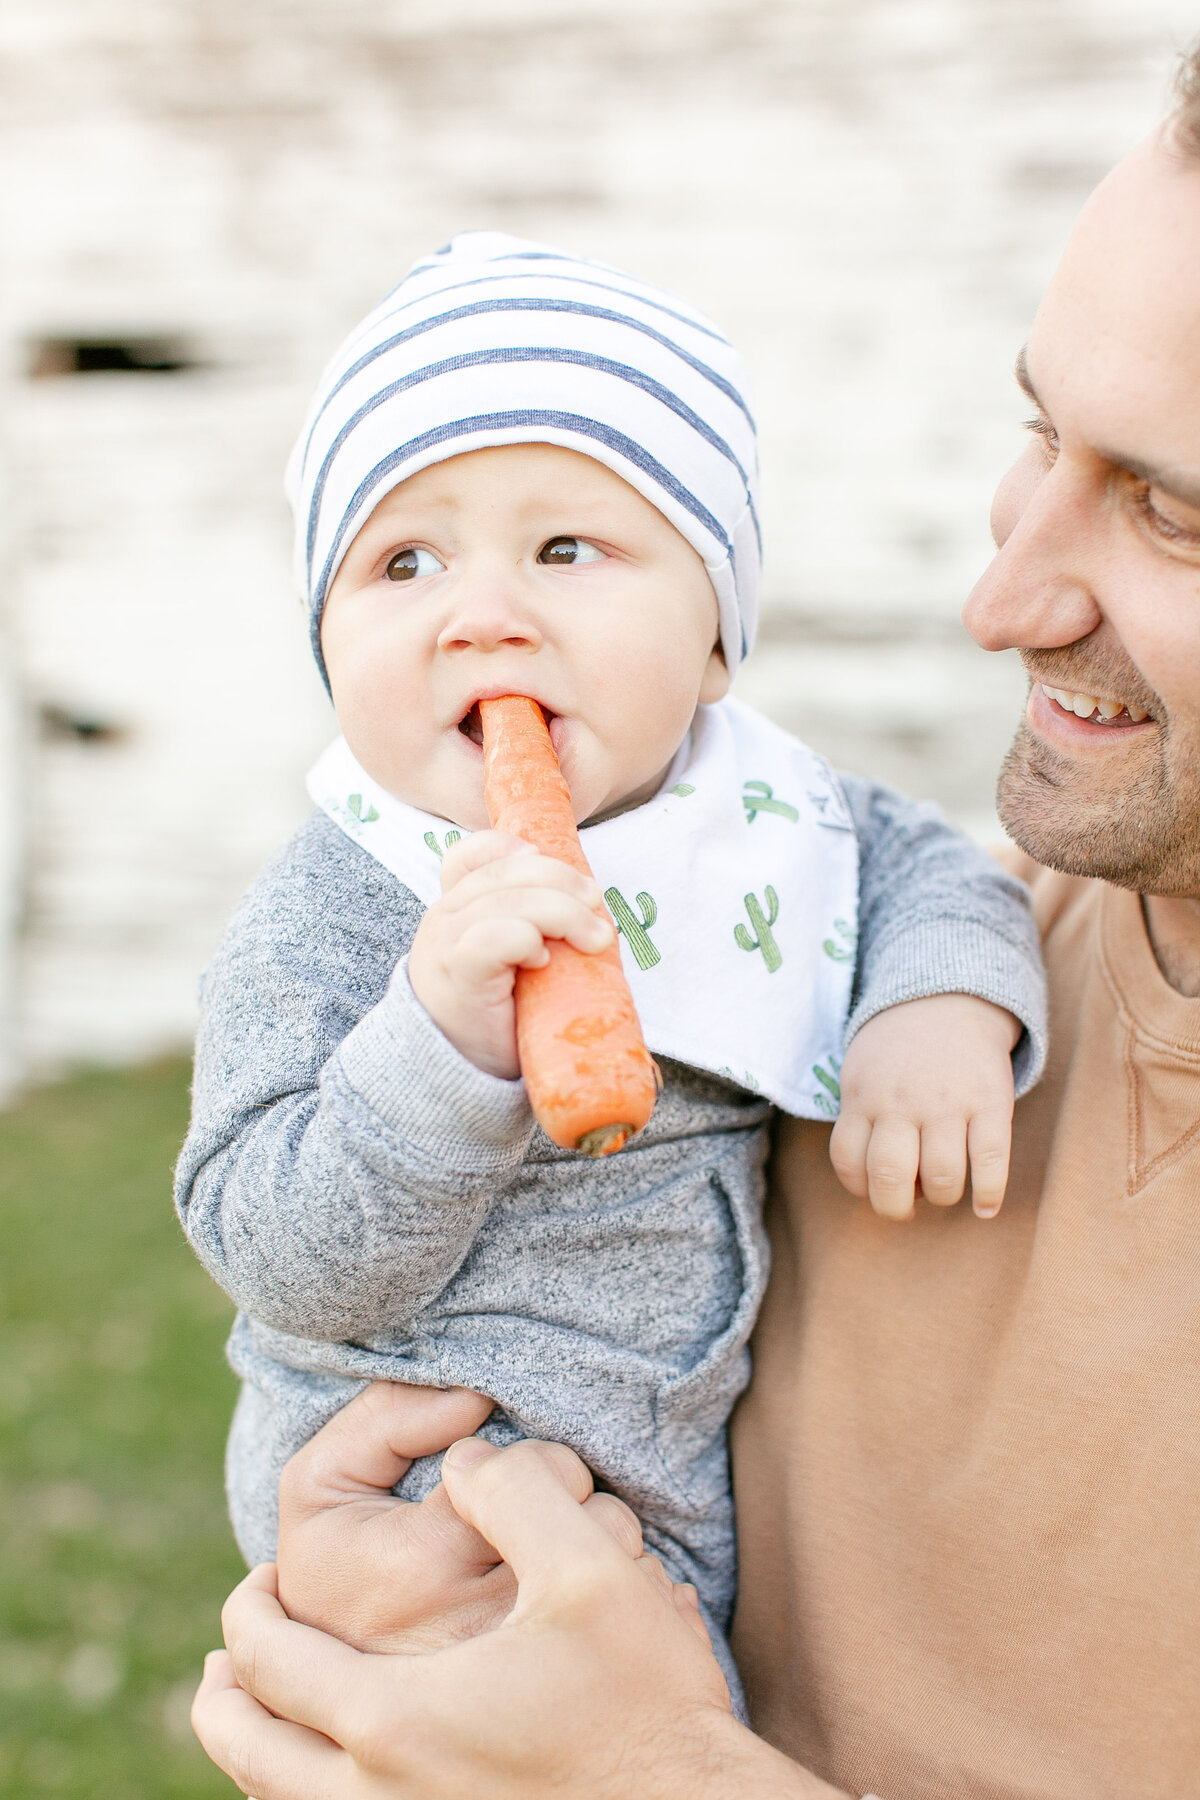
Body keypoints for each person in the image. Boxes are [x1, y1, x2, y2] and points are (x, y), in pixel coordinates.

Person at [192, 65, 1200, 1790]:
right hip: (444, 1481)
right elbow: (269, 1236)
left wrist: (934, 1012)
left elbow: (913, 886)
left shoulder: (785, 829)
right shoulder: (352, 910)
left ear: (715, 641)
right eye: (1036, 432)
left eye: (1177, 509)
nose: (996, 601)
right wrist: (439, 1052)